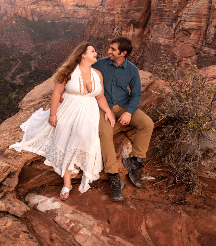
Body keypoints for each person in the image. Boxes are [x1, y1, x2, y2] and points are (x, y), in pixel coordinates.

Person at [10, 42, 115, 200]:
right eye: (92, 51)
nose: (96, 53)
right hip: (68, 109)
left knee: (83, 135)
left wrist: (108, 111)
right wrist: (52, 114)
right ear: (83, 55)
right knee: (65, 136)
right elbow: (57, 92)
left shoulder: (97, 74)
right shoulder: (69, 72)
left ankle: (74, 165)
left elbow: (100, 96)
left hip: (89, 110)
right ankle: (67, 183)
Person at [92, 36, 154, 201]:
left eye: (113, 49)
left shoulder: (132, 70)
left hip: (123, 106)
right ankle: (114, 176)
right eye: (110, 48)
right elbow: (80, 70)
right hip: (102, 107)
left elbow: (136, 95)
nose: (109, 51)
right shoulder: (100, 64)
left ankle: (134, 162)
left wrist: (128, 112)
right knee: (105, 133)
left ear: (123, 53)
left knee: (147, 124)